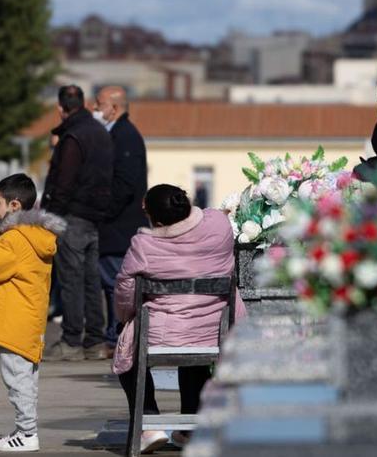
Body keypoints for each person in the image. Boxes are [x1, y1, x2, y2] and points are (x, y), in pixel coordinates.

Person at [113, 184, 247, 454]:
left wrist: (126, 318)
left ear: (156, 220)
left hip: (163, 331)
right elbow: (211, 214)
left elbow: (125, 293)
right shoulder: (219, 225)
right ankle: (188, 430)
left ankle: (148, 424)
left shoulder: (145, 244)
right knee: (194, 343)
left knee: (126, 340)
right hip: (215, 328)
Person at [0, 174, 62, 453]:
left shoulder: (15, 239)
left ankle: (27, 433)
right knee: (25, 377)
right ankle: (25, 429)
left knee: (17, 379)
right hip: (28, 317)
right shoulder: (36, 235)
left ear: (13, 206)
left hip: (14, 318)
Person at [41, 85, 113, 362]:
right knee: (90, 280)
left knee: (71, 280)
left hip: (72, 216)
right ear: (82, 103)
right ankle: (94, 340)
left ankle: (71, 340)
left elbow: (64, 183)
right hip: (95, 216)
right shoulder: (100, 133)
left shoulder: (72, 137)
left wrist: (50, 216)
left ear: (60, 108)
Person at [94, 86, 148, 358]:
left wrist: (101, 211)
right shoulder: (117, 134)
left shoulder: (125, 137)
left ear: (114, 108)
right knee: (111, 285)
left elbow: (124, 184)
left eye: (99, 104)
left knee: (117, 286)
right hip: (114, 226)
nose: (96, 109)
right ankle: (114, 337)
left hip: (118, 227)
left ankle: (117, 339)